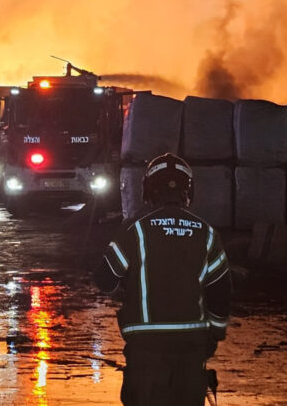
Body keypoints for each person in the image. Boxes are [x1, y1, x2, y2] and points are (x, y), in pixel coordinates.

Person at [95, 153, 231, 406]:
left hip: (146, 350)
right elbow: (221, 292)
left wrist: (124, 290)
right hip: (192, 350)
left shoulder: (134, 229)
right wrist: (216, 335)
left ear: (148, 190)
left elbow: (105, 278)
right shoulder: (207, 233)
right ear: (188, 190)